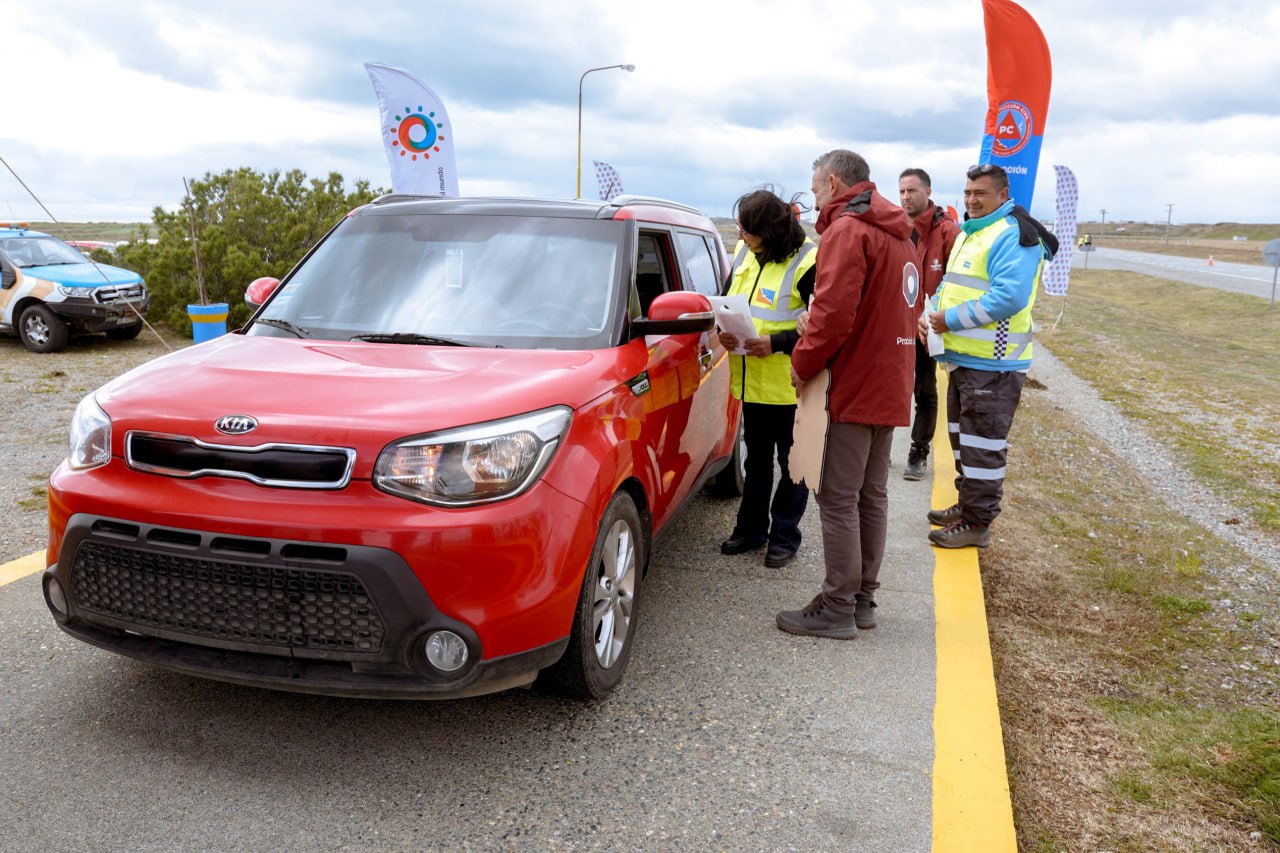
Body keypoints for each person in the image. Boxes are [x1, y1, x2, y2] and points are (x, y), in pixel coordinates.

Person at [775, 150, 918, 639]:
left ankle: (837, 605)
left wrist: (801, 364)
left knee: (837, 496)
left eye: (815, 190)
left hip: (852, 386)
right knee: (870, 495)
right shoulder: (901, 235)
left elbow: (834, 317)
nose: (815, 200)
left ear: (833, 183)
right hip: (890, 383)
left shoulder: (847, 231)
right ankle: (862, 599)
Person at [920, 163, 1057, 548]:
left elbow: (1008, 298)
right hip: (965, 358)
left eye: (979, 193)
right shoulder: (974, 232)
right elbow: (953, 284)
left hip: (994, 365)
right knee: (964, 442)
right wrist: (931, 314)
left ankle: (977, 523)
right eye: (967, 192)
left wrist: (948, 320)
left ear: (1002, 194)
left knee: (983, 447)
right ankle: (967, 506)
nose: (971, 200)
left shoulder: (1012, 234)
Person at [718, 189, 817, 568]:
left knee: (793, 468)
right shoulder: (745, 252)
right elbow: (729, 298)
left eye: (747, 229)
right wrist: (723, 329)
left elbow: (823, 326)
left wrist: (775, 342)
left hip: (791, 387)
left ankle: (784, 538)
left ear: (769, 231)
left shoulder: (808, 261)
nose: (741, 235)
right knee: (756, 464)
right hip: (752, 382)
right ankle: (751, 530)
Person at [898, 168, 960, 481]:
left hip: (928, 328)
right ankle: (876, 446)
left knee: (925, 391)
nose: (906, 197)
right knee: (891, 386)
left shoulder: (947, 231)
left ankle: (918, 451)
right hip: (898, 327)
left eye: (911, 191)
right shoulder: (897, 227)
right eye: (902, 192)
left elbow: (955, 280)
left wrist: (935, 315)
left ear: (928, 191)